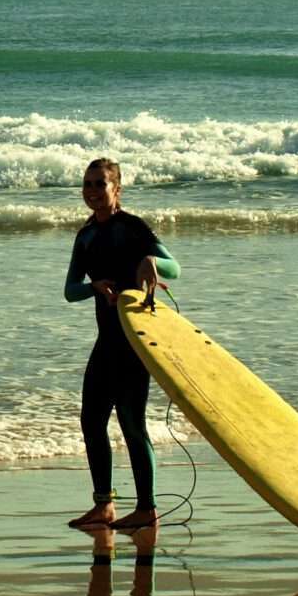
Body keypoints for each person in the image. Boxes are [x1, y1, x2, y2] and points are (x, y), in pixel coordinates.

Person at [64, 157, 179, 532]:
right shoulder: (85, 237)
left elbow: (175, 267)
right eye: (88, 184)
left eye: (100, 184)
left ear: (117, 189)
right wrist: (92, 287)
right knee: (91, 421)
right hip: (106, 342)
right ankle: (104, 506)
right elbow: (69, 291)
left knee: (132, 423)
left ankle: (147, 509)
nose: (93, 191)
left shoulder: (133, 228)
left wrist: (151, 261)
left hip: (135, 340)